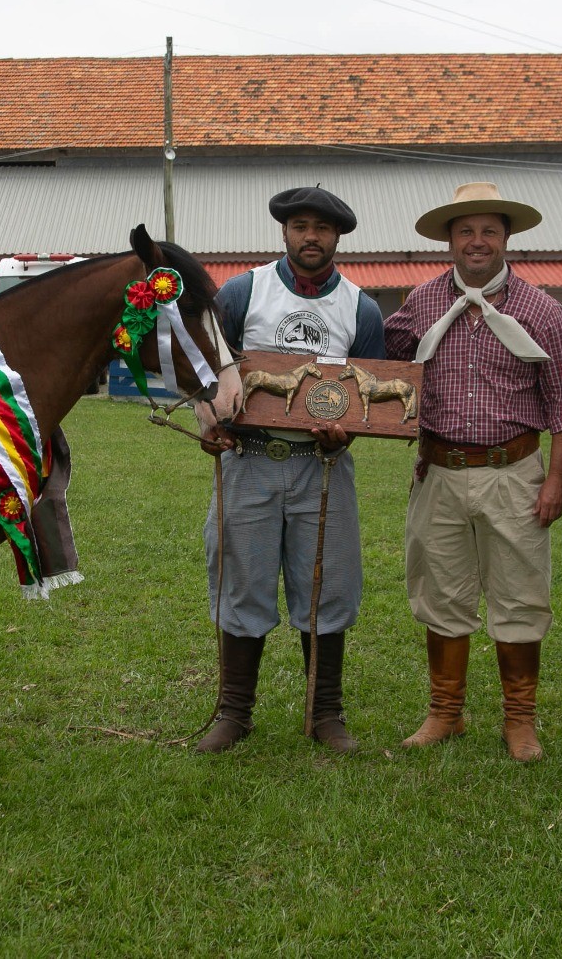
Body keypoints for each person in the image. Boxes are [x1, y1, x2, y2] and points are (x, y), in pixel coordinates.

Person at [383, 182, 562, 759]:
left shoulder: (542, 311)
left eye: (489, 231)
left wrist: (558, 479)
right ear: (449, 240)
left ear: (506, 238)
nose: (477, 241)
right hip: (439, 469)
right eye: (465, 231)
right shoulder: (420, 304)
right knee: (440, 589)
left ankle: (519, 719)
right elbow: (387, 365)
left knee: (519, 594)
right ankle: (446, 712)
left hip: (513, 470)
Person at [196, 186, 386, 754]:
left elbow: (369, 395)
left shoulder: (361, 308)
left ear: (337, 237)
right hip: (249, 460)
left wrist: (347, 432)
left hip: (322, 466)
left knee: (328, 585)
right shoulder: (243, 292)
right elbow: (207, 365)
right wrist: (211, 423)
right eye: (301, 226)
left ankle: (325, 713)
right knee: (241, 581)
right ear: (284, 231)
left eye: (322, 229)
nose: (311, 237)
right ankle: (234, 712)